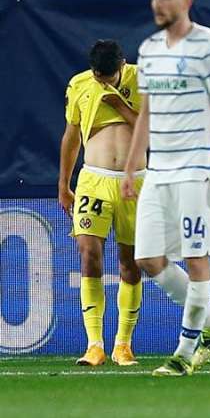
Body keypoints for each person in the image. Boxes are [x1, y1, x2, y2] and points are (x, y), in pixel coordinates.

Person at [122, 0, 210, 376]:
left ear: (186, 1)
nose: (158, 5)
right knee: (148, 260)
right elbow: (146, 113)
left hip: (199, 170)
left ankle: (186, 350)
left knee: (196, 258)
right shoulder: (150, 49)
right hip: (158, 171)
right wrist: (132, 167)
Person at [59, 39, 145, 367]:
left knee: (130, 262)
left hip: (135, 181)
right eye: (99, 75)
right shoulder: (80, 84)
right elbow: (71, 135)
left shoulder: (143, 79)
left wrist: (120, 103)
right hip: (93, 180)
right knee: (88, 253)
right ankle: (94, 344)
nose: (104, 81)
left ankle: (123, 343)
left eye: (110, 75)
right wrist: (63, 184)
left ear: (122, 64)